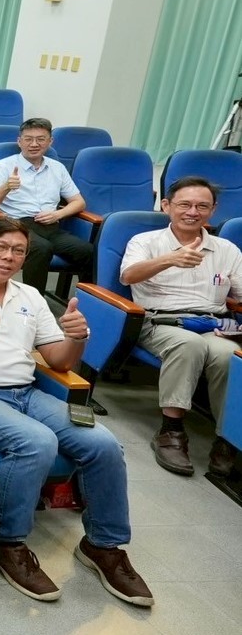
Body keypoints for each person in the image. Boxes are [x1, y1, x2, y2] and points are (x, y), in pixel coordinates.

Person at [0, 216, 152, 607]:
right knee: (37, 442)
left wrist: (77, 338)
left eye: (18, 251)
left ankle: (103, 546)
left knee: (104, 444)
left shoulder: (29, 295)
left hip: (25, 392)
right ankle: (8, 542)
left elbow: (59, 361)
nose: (8, 257)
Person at [120, 177, 242, 477]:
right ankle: (171, 430)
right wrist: (170, 259)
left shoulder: (227, 249)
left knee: (229, 355)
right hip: (159, 320)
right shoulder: (146, 242)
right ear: (166, 205)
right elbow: (128, 276)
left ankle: (227, 440)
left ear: (213, 210)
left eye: (202, 206)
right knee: (190, 345)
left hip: (212, 323)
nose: (193, 212)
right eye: (185, 204)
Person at [0, 117, 94, 290]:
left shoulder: (57, 168)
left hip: (51, 225)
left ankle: (88, 300)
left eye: (40, 139)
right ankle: (34, 301)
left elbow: (78, 202)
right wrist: (7, 186)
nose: (34, 144)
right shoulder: (3, 166)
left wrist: (58, 214)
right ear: (19, 141)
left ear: (50, 141)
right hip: (17, 226)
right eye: (28, 139)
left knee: (87, 251)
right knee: (41, 249)